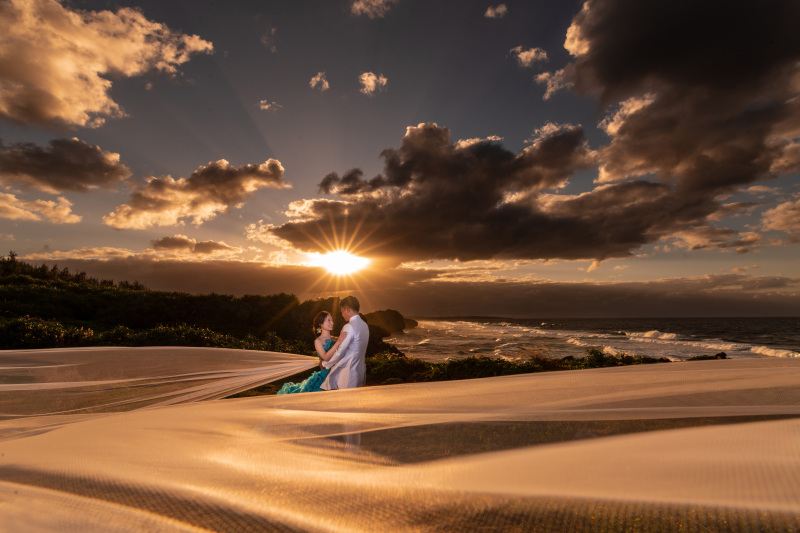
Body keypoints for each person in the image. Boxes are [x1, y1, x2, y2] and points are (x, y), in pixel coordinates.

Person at [277, 311, 346, 394]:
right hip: (325, 374)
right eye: (328, 320)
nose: (332, 323)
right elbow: (325, 357)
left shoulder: (335, 339)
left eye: (332, 320)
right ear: (321, 324)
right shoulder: (318, 341)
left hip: (338, 372)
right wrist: (338, 343)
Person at [321, 296, 369, 390]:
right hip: (360, 372)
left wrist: (326, 364)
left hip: (348, 373)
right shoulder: (365, 325)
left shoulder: (348, 327)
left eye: (342, 311)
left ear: (347, 310)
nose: (342, 315)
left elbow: (340, 352)